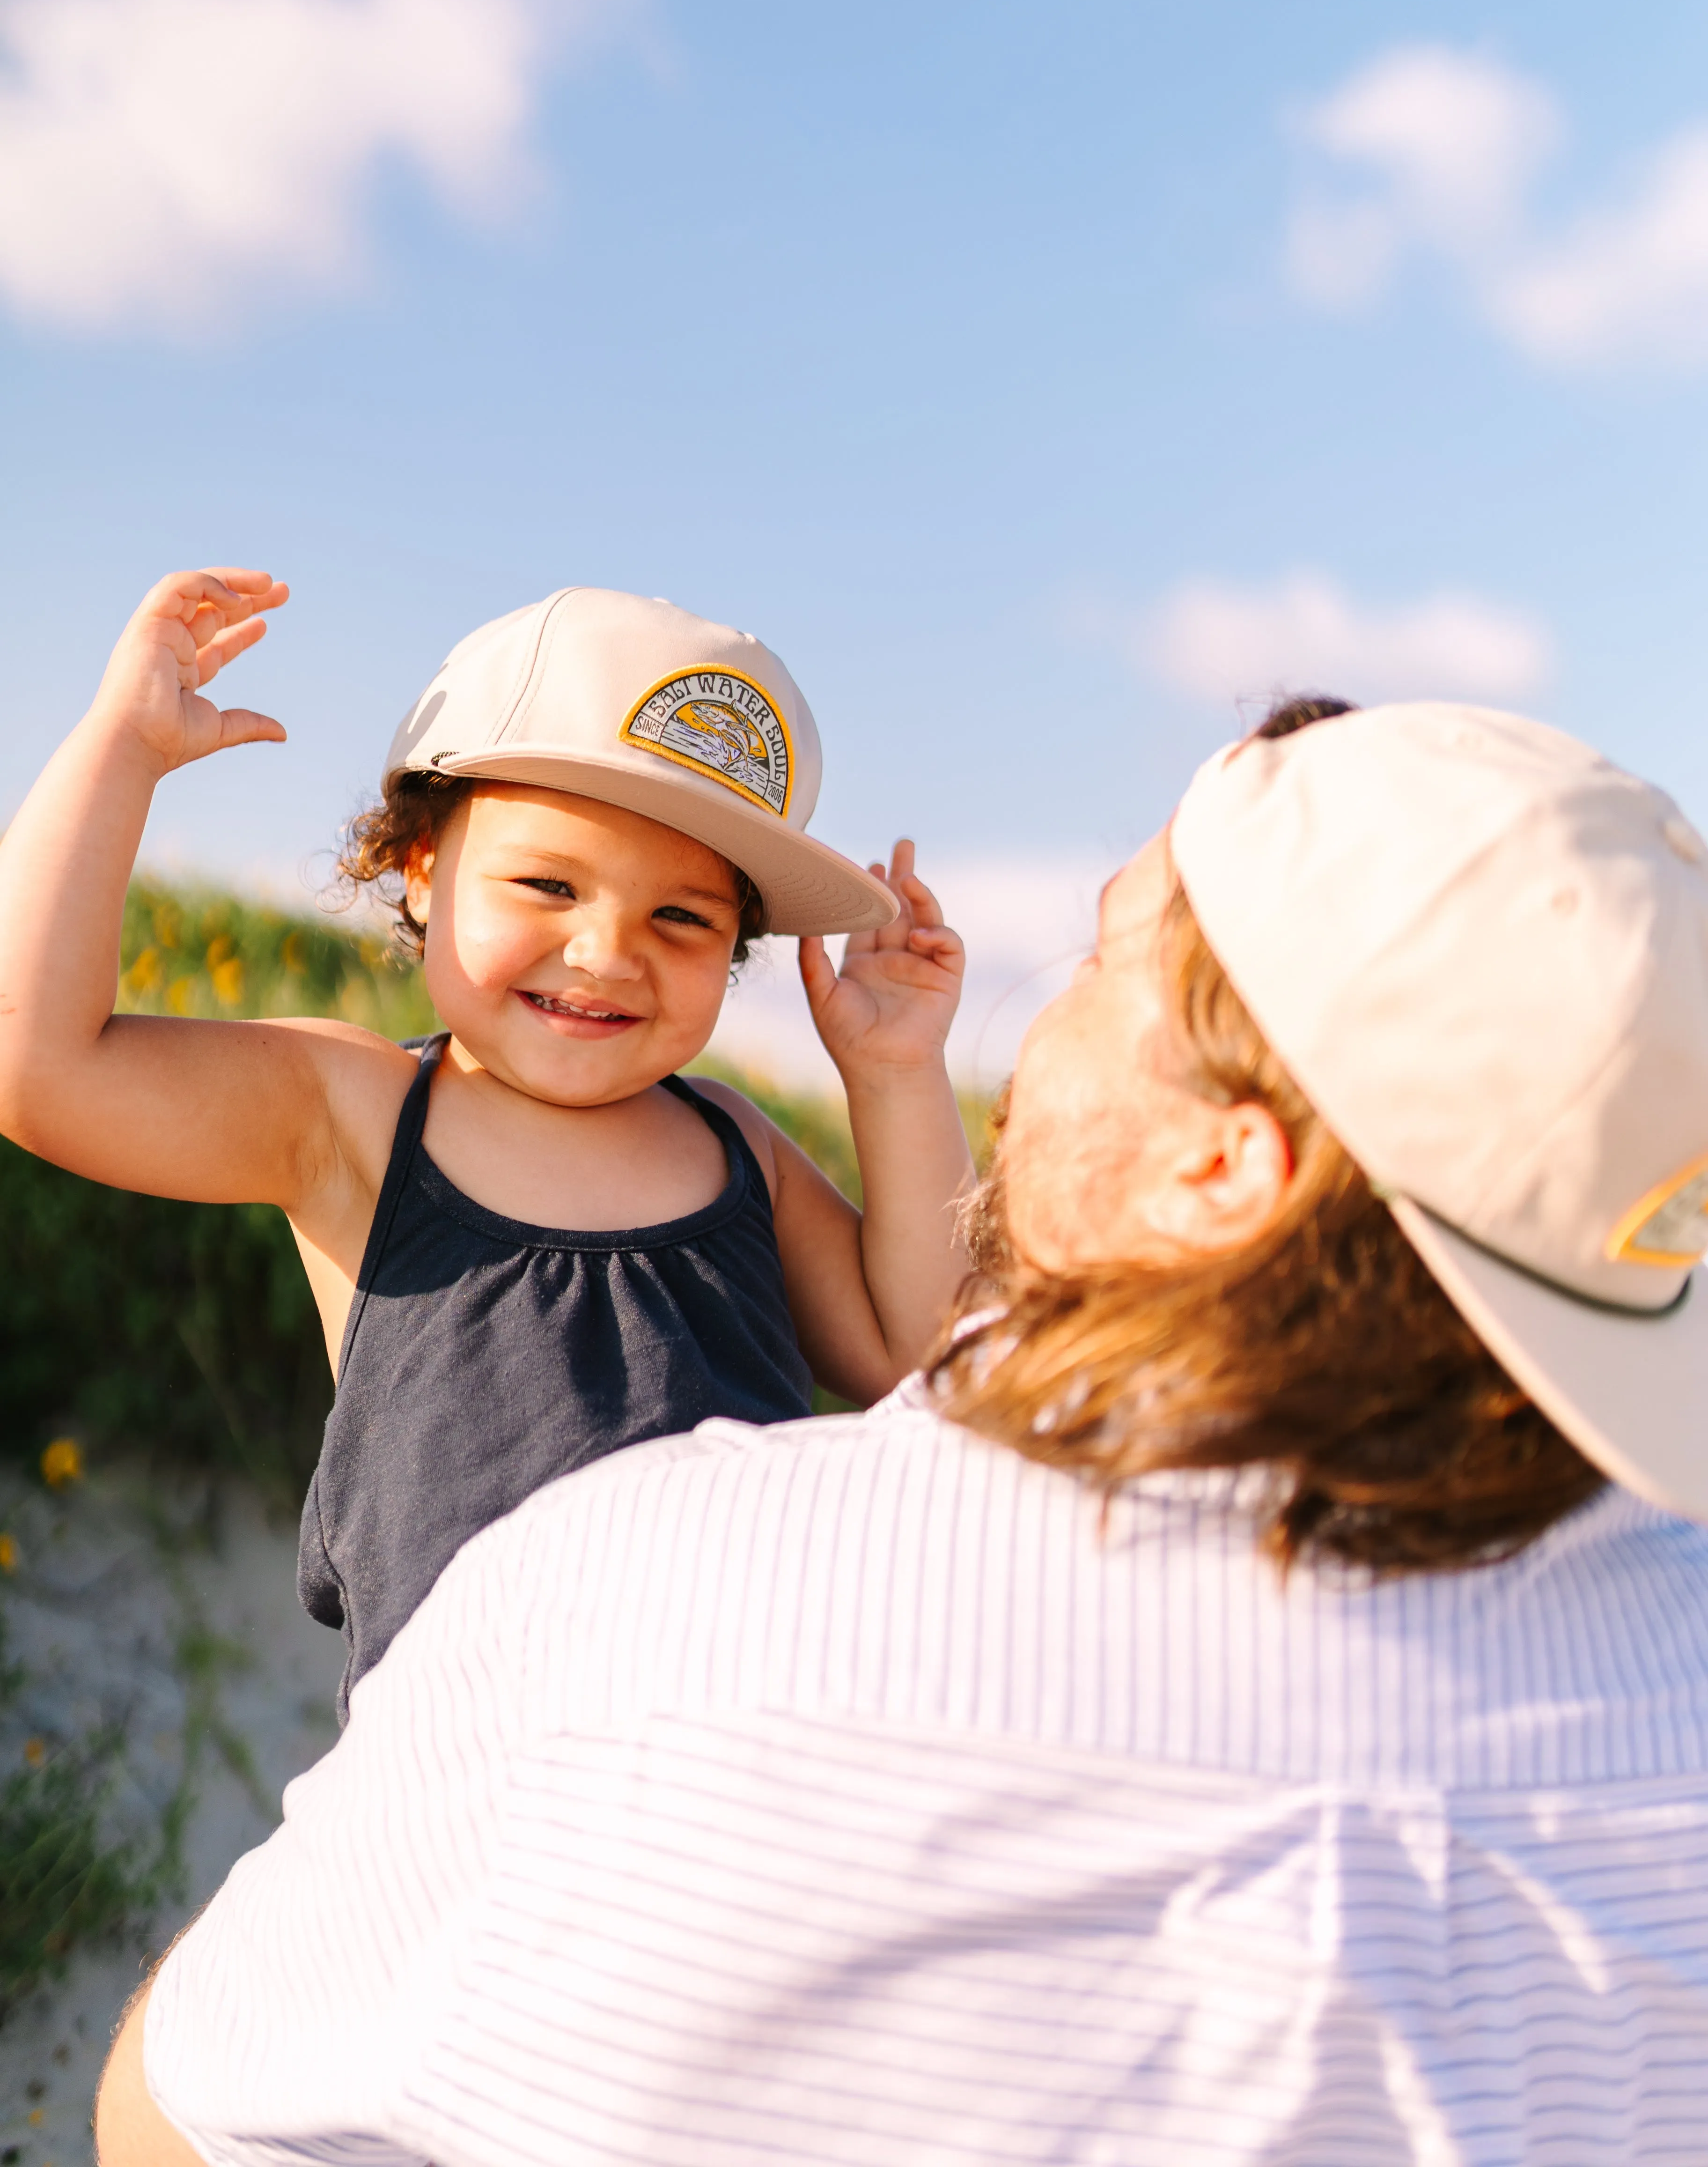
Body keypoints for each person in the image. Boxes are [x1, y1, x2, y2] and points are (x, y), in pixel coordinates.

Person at [103, 696, 1708, 2166]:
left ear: (1219, 1170)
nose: (1039, 1028)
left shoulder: (642, 1608)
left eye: (1097, 964)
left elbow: (177, 2116)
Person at [0, 570, 972, 1716]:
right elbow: (38, 1069)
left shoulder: (735, 1147)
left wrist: (899, 1074)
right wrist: (123, 748)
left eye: (682, 917)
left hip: (750, 1757)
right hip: (468, 1784)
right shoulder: (351, 1111)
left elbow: (933, 1362)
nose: (608, 954)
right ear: (420, 867)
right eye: (548, 884)